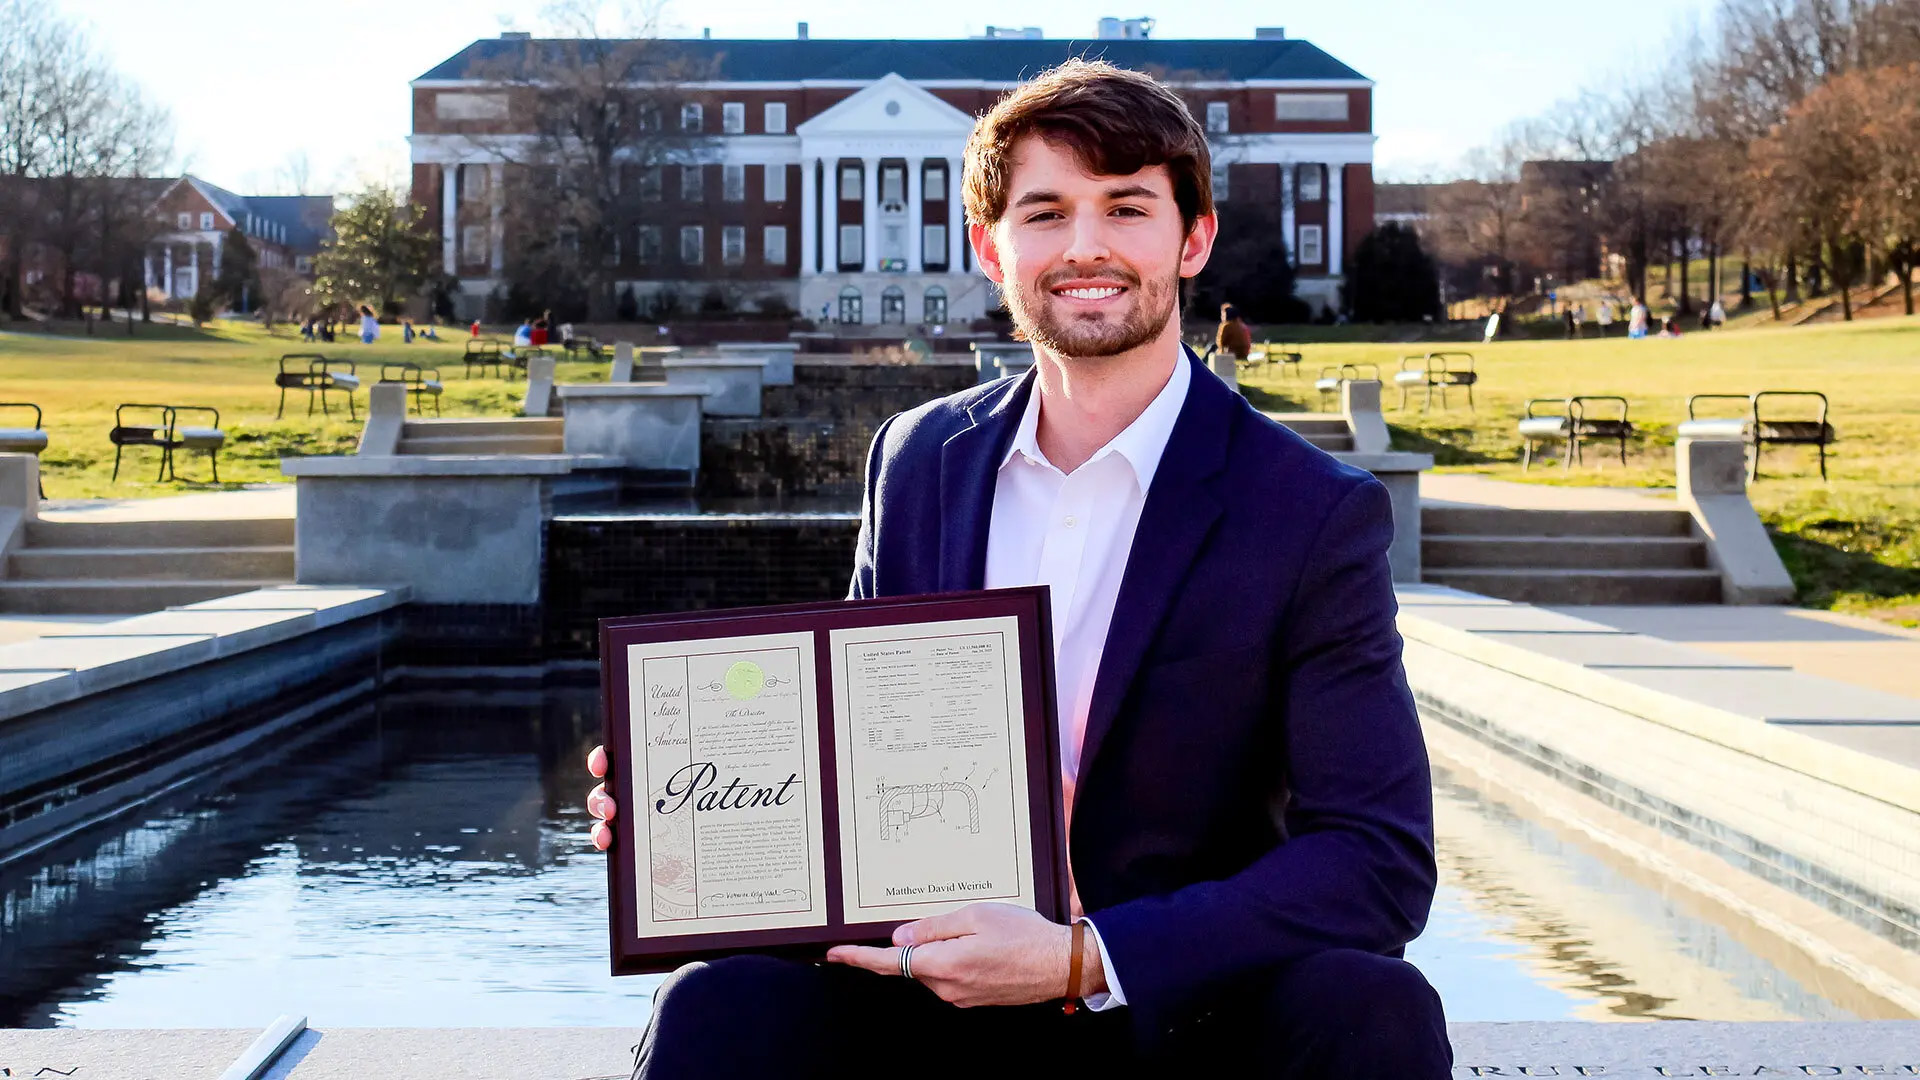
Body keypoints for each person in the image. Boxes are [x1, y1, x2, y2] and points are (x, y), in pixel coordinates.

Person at [585, 58, 1449, 1080]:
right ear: (992, 250)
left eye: (1126, 207)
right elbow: (857, 765)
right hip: (931, 996)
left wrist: (1086, 960)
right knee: (716, 1009)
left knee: (1376, 1009)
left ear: (1194, 238)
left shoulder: (1311, 512)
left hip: (1178, 1010)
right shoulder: (918, 460)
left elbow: (1377, 860)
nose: (1085, 246)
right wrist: (699, 816)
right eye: (1045, 213)